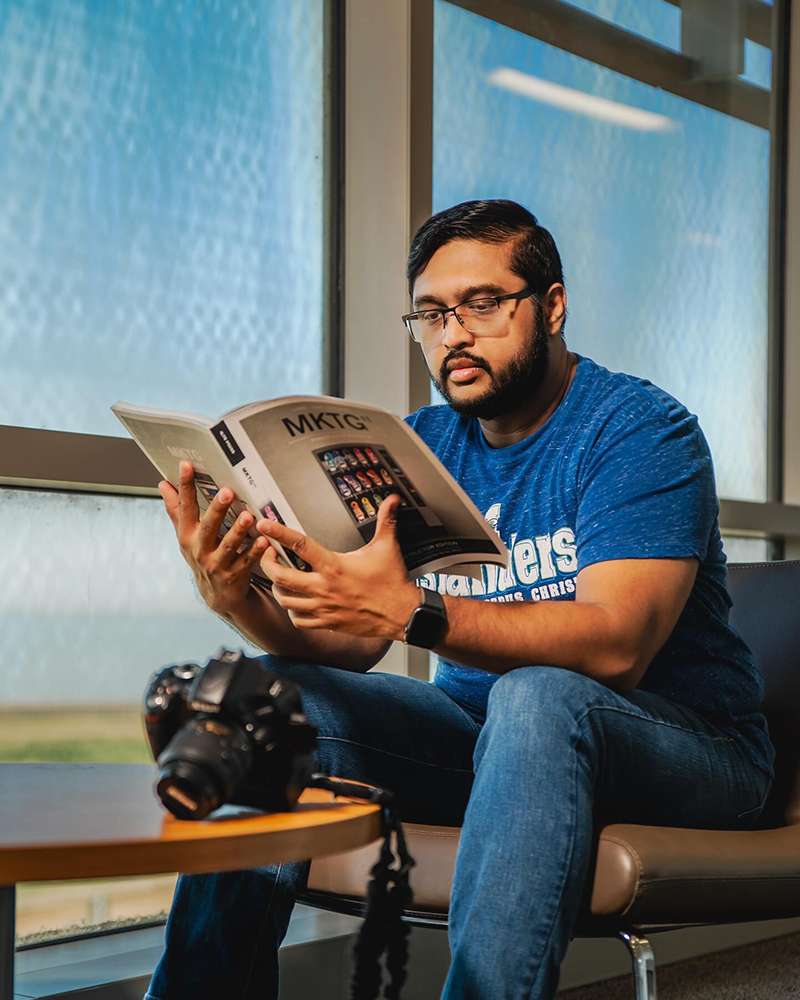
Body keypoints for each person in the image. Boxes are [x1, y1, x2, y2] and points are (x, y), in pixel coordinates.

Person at [144, 199, 775, 1000]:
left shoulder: (639, 430)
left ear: (551, 306)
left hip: (692, 748)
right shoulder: (419, 449)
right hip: (493, 742)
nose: (455, 335)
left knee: (541, 699)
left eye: (483, 303)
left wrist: (415, 610)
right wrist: (235, 597)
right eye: (433, 314)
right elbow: (352, 639)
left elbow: (619, 645)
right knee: (274, 699)